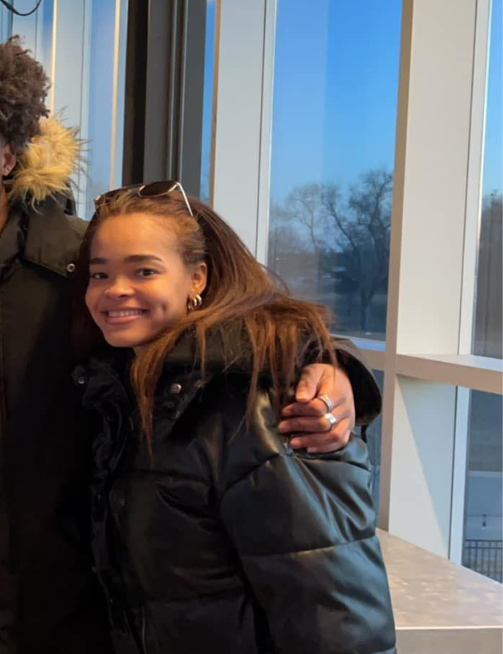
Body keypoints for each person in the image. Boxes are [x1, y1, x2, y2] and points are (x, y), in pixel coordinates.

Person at [0, 31, 381, 654]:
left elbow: (228, 328)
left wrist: (328, 366)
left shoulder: (91, 264)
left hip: (92, 614)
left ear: (10, 155)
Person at [75, 182, 395, 653]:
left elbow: (336, 616)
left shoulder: (256, 405)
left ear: (197, 279)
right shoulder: (133, 392)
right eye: (99, 275)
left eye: (144, 270)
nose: (115, 291)